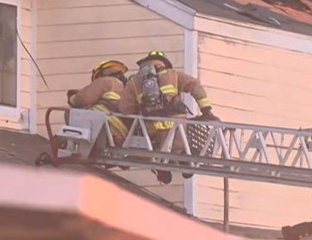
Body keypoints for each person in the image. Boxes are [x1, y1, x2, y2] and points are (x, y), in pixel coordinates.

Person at [123, 51, 218, 184]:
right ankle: (184, 161)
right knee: (179, 146)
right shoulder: (173, 75)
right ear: (165, 63)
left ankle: (161, 168)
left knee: (155, 149)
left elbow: (125, 108)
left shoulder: (134, 81)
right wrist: (206, 110)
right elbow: (195, 86)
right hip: (176, 123)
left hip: (151, 125)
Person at [65, 59, 133, 147]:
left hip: (109, 127)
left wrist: (72, 98)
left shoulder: (108, 81)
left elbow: (82, 98)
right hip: (124, 133)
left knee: (70, 113)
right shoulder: (128, 90)